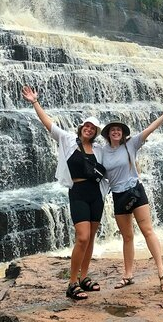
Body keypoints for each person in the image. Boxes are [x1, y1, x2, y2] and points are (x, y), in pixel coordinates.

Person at [21, 86, 108, 301]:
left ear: (96, 133)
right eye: (86, 126)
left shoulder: (98, 150)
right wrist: (34, 102)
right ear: (81, 128)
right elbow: (48, 123)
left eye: (93, 128)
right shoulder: (68, 140)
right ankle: (72, 283)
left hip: (96, 195)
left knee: (91, 239)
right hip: (78, 192)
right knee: (82, 237)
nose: (89, 129)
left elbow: (112, 163)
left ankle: (84, 278)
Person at [101, 103, 163, 292]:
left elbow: (149, 130)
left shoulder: (131, 144)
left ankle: (162, 272)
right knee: (127, 237)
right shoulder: (102, 152)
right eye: (113, 130)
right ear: (108, 134)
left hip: (135, 192)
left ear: (123, 133)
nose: (116, 132)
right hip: (118, 196)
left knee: (147, 231)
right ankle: (128, 275)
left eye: (119, 130)